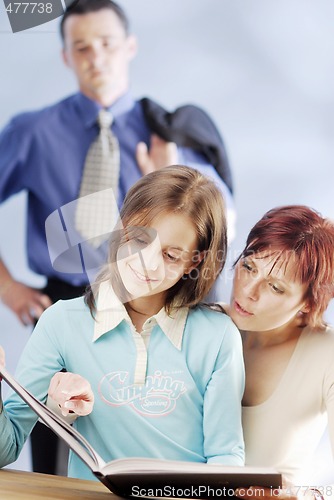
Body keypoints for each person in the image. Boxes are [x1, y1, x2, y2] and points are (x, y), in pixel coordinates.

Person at [0, 0, 235, 473]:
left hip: (161, 308)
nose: (96, 57)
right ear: (66, 55)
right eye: (81, 47)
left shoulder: (167, 134)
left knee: (156, 431)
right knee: (52, 453)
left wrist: (171, 171)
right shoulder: (32, 132)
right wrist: (7, 285)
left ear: (129, 46)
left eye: (106, 43)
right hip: (68, 302)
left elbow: (220, 221)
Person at [0, 166, 245, 480]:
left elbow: (226, 456)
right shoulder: (61, 323)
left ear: (194, 261)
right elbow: (7, 449)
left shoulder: (218, 337)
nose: (147, 263)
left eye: (171, 255)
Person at [224, 205, 334, 496]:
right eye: (248, 267)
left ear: (309, 303)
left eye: (275, 287)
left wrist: (297, 495)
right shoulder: (205, 324)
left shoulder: (327, 354)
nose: (249, 291)